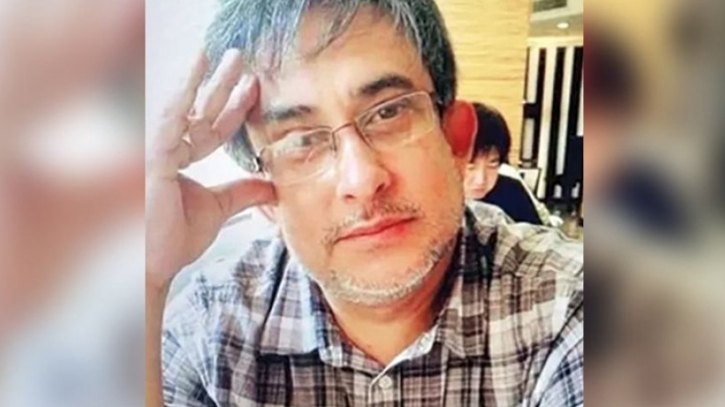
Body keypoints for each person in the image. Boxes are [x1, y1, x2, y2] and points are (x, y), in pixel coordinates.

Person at [145, 1, 583, 406]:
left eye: (388, 112)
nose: (361, 179)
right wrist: (143, 278)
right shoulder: (209, 331)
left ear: (456, 139)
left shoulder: (570, 307)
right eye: (300, 141)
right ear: (264, 193)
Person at [464, 102, 549, 226]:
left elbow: (538, 234)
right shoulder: (436, 199)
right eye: (470, 166)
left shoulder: (512, 192)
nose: (481, 179)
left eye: (492, 164)